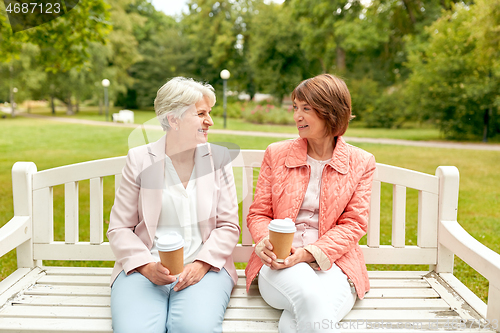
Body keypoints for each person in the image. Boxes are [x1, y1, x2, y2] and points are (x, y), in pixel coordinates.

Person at [107, 77, 240, 333]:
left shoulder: (219, 159)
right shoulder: (139, 159)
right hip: (144, 268)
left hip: (206, 267)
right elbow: (119, 228)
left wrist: (201, 264)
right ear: (173, 119)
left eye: (208, 113)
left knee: (194, 327)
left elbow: (228, 226)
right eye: (201, 114)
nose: (209, 121)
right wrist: (146, 266)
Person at [245, 74, 376, 332]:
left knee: (294, 323)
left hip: (335, 263)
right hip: (280, 262)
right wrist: (264, 243)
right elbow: (259, 213)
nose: (297, 116)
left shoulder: (361, 162)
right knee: (311, 299)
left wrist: (309, 254)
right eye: (296, 107)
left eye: (306, 108)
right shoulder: (276, 153)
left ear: (330, 111)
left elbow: (353, 224)